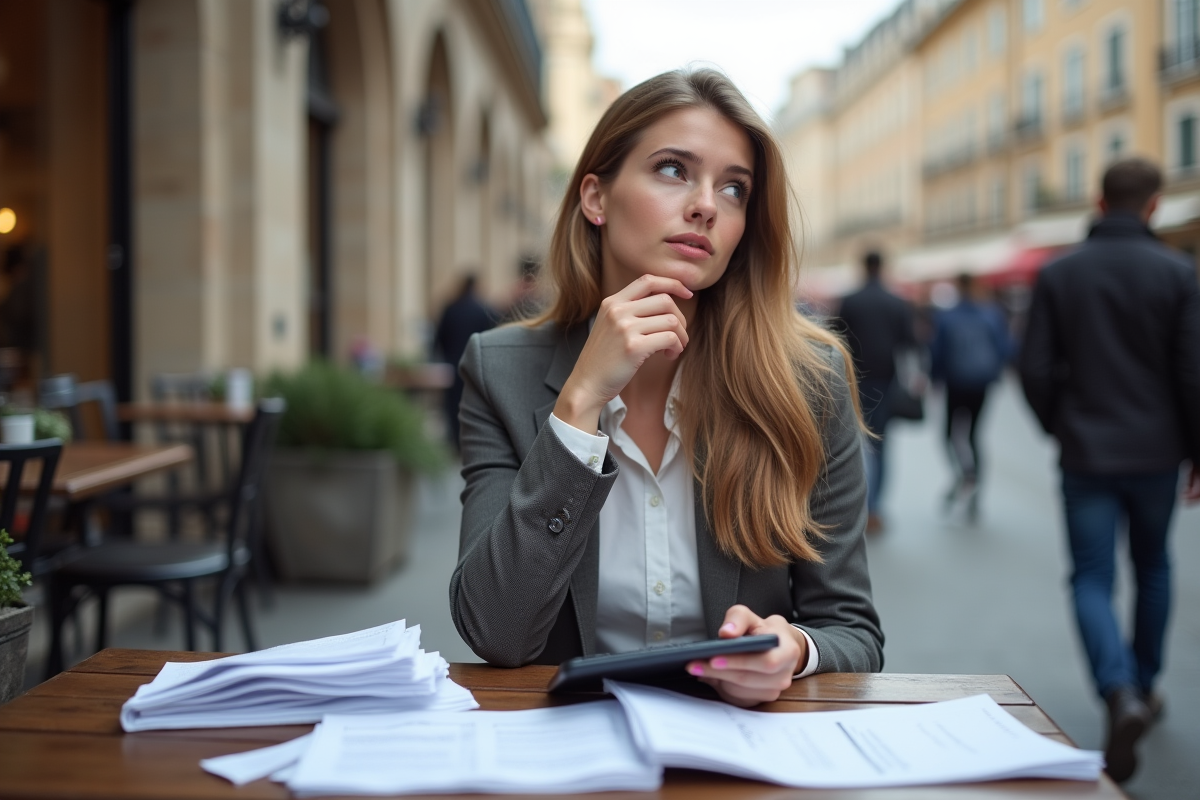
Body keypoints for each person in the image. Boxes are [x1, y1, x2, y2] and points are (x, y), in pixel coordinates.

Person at [449, 69, 883, 707]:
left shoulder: (807, 381)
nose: (707, 204)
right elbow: (498, 632)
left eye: (734, 188)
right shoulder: (499, 370)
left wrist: (792, 648)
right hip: (569, 750)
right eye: (674, 170)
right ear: (596, 198)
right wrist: (578, 408)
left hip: (741, 749)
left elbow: (853, 630)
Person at [1019, 157, 1200, 783]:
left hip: (1087, 450)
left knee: (1091, 575)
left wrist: (1059, 426)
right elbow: (1192, 373)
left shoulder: (1060, 274)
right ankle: (1144, 688)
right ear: (1153, 206)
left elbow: (1034, 367)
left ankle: (1116, 690)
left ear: (1098, 203)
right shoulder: (1180, 273)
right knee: (1153, 566)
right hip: (1157, 452)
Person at [833, 251, 918, 533]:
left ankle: (854, 506)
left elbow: (835, 338)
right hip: (886, 381)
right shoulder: (896, 302)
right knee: (881, 445)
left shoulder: (851, 300)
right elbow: (909, 343)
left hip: (853, 381)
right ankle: (876, 508)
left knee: (852, 444)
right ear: (882, 267)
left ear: (863, 267)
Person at [930, 273, 1011, 520]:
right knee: (975, 435)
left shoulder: (946, 315)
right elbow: (1005, 348)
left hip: (956, 383)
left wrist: (935, 379)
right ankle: (976, 491)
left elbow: (938, 351)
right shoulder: (991, 314)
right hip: (981, 383)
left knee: (949, 435)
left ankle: (963, 474)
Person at [433, 273, 497, 451]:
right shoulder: (483, 309)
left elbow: (439, 339)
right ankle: (471, 441)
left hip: (452, 364)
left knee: (452, 405)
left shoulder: (451, 308)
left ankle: (455, 441)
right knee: (474, 403)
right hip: (476, 364)